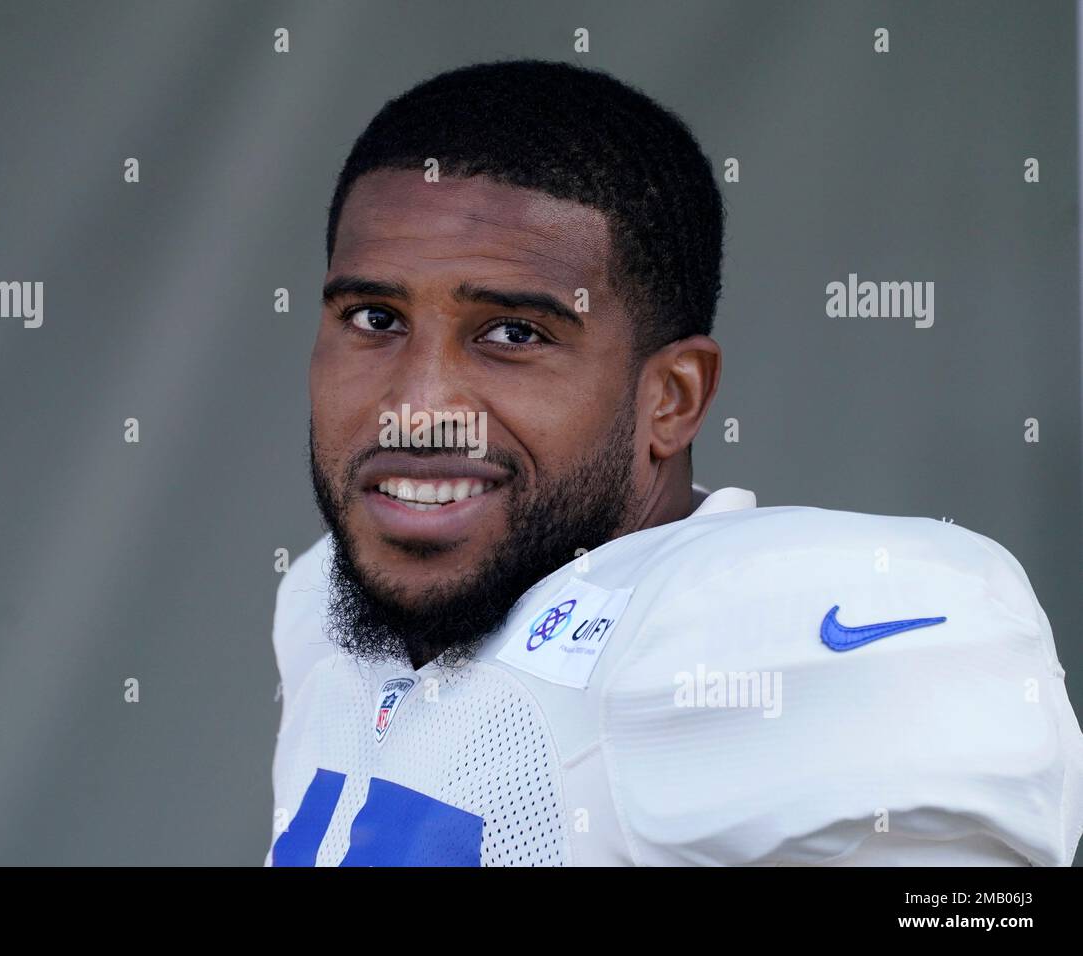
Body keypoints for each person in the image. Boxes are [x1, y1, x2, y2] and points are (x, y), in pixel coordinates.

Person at [266, 59, 1083, 866]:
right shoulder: (324, 603)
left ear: (672, 398)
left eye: (514, 333)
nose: (418, 404)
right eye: (374, 317)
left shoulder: (746, 635)